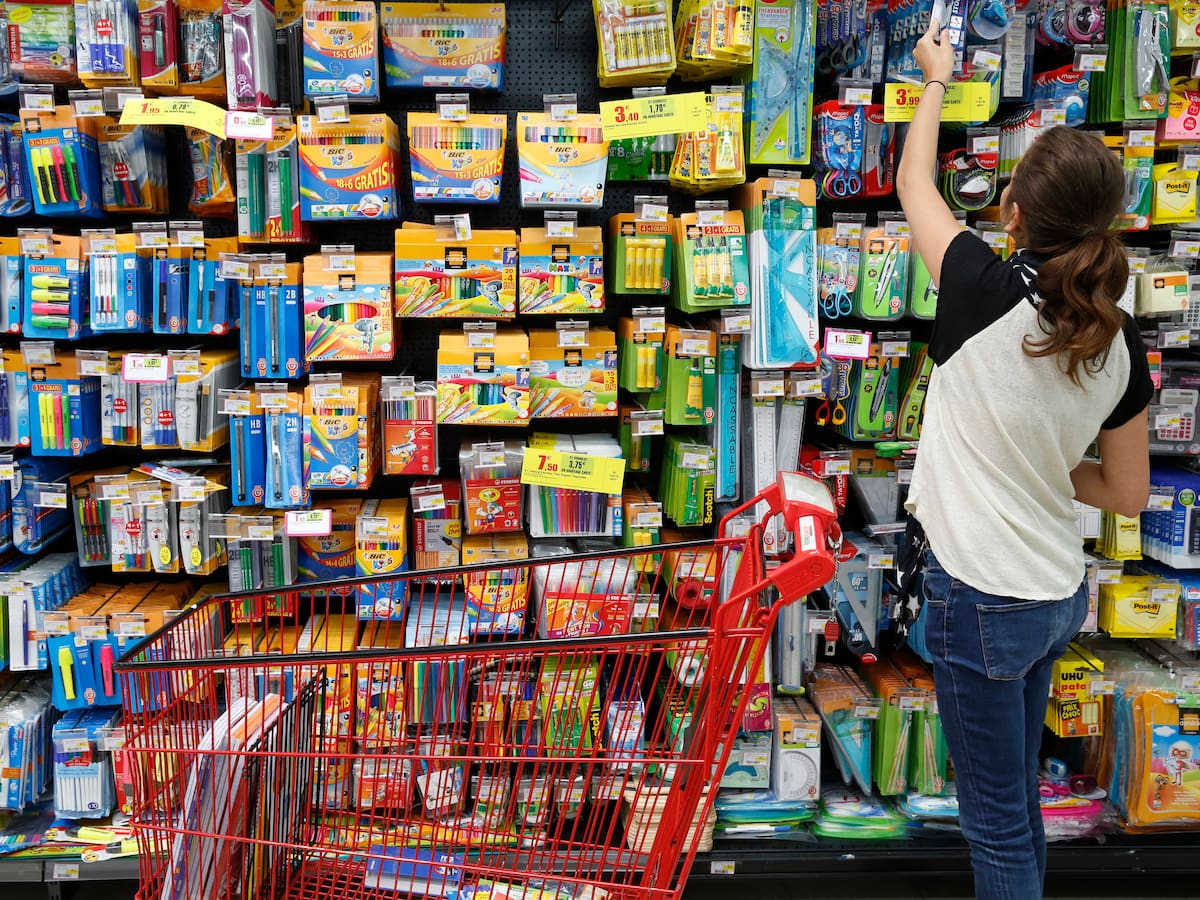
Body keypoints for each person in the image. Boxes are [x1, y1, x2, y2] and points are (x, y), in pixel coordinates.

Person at [896, 19, 1153, 900]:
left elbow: (912, 182)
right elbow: (1127, 489)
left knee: (997, 823)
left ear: (1011, 216)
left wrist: (935, 78)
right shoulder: (1121, 343)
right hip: (1050, 593)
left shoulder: (977, 288)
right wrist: (1045, 465)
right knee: (1021, 810)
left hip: (981, 596)